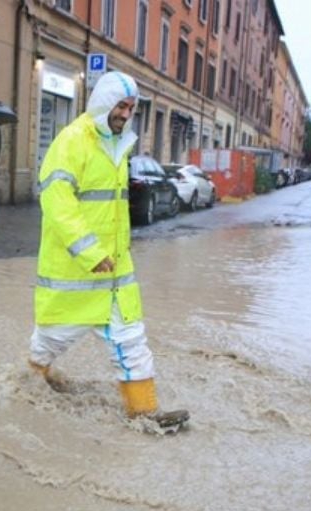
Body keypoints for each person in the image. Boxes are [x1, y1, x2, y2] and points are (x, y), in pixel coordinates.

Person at [27, 72, 189, 429]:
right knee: (49, 342)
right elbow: (56, 203)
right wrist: (90, 252)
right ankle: (25, 388)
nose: (126, 113)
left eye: (131, 108)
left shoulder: (118, 145)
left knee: (132, 341)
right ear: (103, 102)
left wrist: (108, 256)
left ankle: (145, 415)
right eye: (121, 105)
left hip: (115, 274)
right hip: (75, 276)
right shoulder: (71, 142)